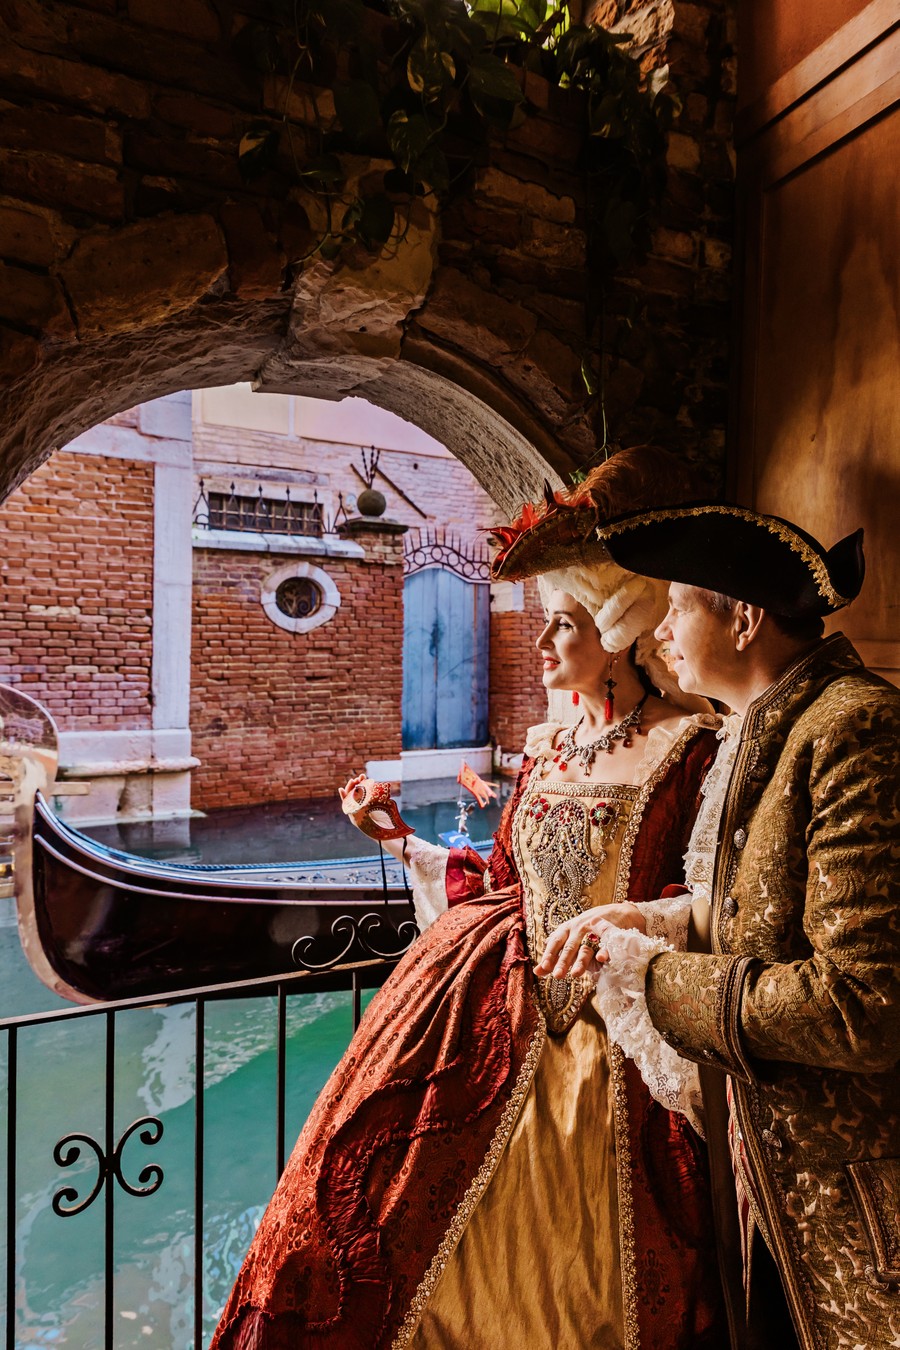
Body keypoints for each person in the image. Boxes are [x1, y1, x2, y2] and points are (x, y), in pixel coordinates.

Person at [210, 449, 727, 1350]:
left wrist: (630, 938)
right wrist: (399, 839)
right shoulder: (545, 745)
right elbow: (503, 880)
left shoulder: (692, 747)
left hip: (616, 1036)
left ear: (617, 634)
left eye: (561, 624)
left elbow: (707, 903)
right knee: (353, 1219)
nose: (541, 643)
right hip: (491, 997)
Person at [544, 502, 900, 1350]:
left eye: (677, 607)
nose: (661, 631)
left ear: (742, 619)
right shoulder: (764, 723)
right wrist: (657, 917)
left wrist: (648, 974)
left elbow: (861, 1005)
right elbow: (762, 912)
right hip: (770, 1172)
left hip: (849, 1194)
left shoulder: (856, 727)